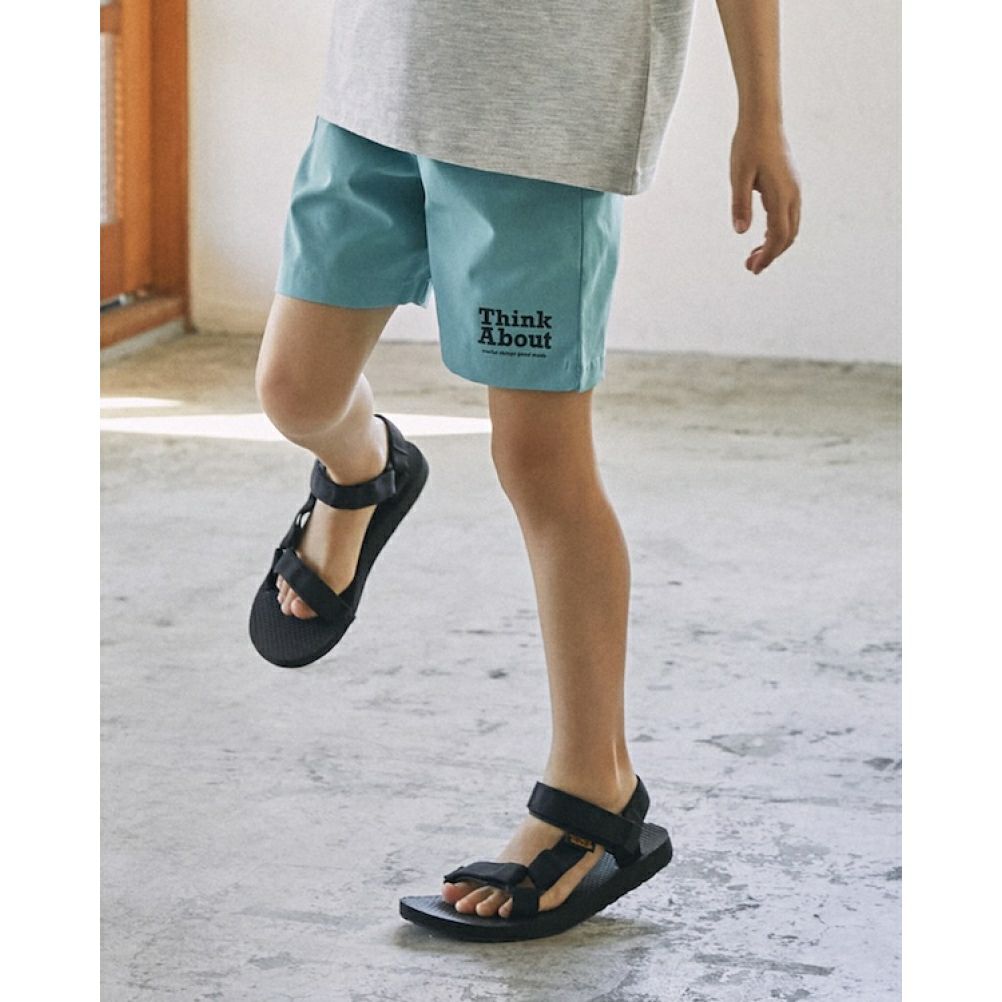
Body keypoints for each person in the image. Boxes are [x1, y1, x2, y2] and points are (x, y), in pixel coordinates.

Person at [249, 0, 801, 940]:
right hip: (375, 90)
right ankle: (363, 472)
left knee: (540, 463)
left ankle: (596, 788)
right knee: (295, 393)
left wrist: (763, 114)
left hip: (542, 125)